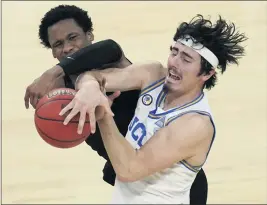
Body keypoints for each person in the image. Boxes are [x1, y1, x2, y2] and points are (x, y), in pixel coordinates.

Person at [24, 5, 209, 204]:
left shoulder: (112, 61)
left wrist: (53, 71)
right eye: (58, 44)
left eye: (73, 37)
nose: (67, 47)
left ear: (90, 35)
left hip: (171, 181)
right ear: (52, 51)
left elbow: (109, 47)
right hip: (131, 178)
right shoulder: (61, 92)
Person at [59, 14, 247, 204]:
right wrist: (90, 87)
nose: (174, 63)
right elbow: (94, 75)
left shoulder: (195, 123)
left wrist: (104, 115)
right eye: (174, 52)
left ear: (207, 73)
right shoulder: (153, 74)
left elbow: (129, 169)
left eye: (186, 59)